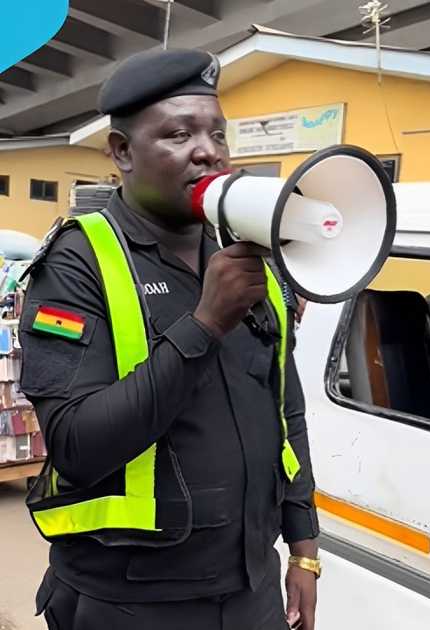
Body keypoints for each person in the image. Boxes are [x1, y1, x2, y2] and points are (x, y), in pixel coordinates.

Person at [19, 49, 320, 630]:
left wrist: (303, 546)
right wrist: (204, 325)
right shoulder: (79, 262)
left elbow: (287, 412)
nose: (207, 150)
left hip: (250, 588)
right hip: (131, 601)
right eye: (179, 133)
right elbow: (77, 446)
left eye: (216, 133)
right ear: (123, 153)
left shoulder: (250, 259)